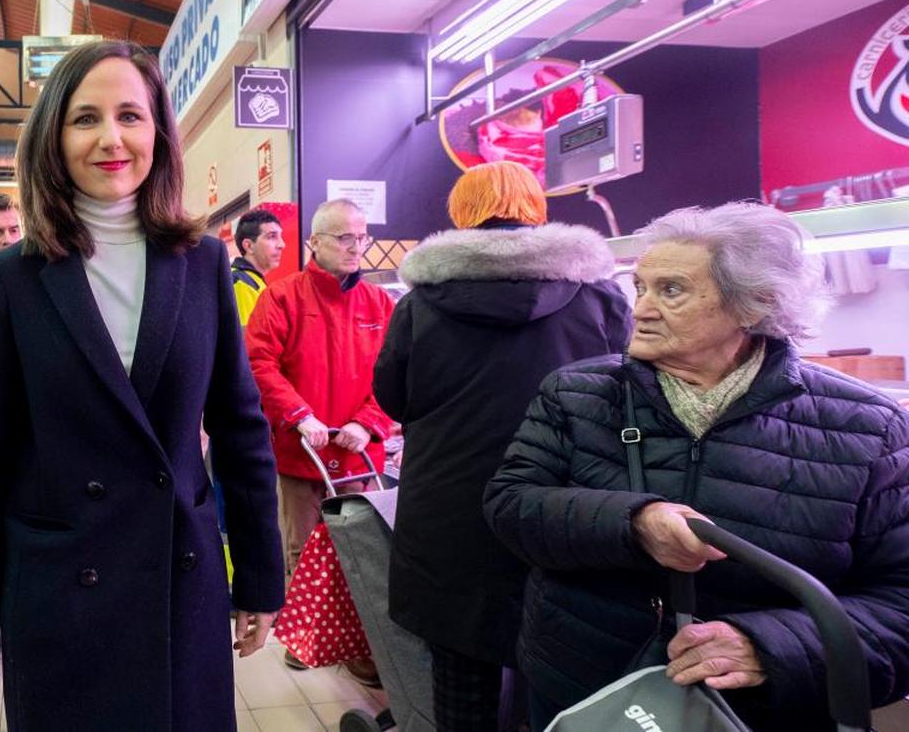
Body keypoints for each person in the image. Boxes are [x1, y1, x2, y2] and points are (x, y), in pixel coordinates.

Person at [0, 40, 284, 731]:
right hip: (60, 583)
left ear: (158, 130)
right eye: (85, 118)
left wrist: (258, 576)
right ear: (54, 136)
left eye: (130, 115)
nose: (111, 138)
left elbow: (241, 426)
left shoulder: (203, 262)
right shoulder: (15, 275)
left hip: (178, 577)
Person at [483, 202, 909, 732]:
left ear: (755, 305)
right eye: (639, 286)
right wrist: (633, 524)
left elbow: (899, 601)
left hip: (756, 712)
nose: (639, 309)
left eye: (671, 290)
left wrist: (775, 646)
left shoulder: (870, 429)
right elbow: (511, 507)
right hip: (587, 688)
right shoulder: (577, 393)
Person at [373, 161, 631, 731]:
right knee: (558, 675)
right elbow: (627, 396)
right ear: (534, 208)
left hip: (449, 509)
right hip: (560, 505)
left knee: (462, 675)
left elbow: (391, 396)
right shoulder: (601, 299)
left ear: (461, 214)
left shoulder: (420, 304)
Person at [245, 197, 393, 684]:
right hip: (300, 454)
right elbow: (259, 362)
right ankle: (305, 638)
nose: (356, 247)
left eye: (362, 236)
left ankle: (359, 643)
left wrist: (369, 422)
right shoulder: (282, 296)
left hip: (360, 454)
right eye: (344, 237)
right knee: (303, 549)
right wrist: (298, 413)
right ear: (315, 242)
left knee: (363, 552)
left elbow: (395, 375)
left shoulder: (379, 303)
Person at [231, 208, 284, 326]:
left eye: (280, 236)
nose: (281, 244)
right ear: (249, 246)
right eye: (272, 236)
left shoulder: (254, 281)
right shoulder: (240, 283)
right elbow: (247, 341)